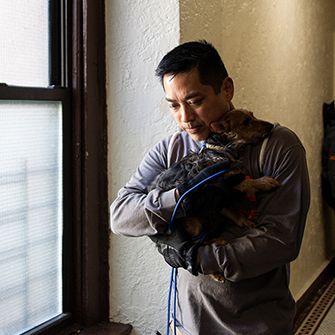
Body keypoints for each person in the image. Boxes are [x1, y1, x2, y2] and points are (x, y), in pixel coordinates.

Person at [110, 40, 310, 335]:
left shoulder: (277, 147)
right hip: (188, 325)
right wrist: (181, 198)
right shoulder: (170, 150)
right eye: (174, 106)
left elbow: (281, 240)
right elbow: (121, 216)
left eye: (195, 101)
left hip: (258, 326)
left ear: (226, 89)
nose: (185, 117)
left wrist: (196, 257)